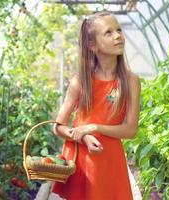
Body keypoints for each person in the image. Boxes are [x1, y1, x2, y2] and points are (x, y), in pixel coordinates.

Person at [51, 11, 141, 200]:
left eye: (119, 30)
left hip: (109, 160)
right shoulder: (81, 81)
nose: (118, 36)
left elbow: (131, 130)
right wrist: (82, 136)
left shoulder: (130, 81)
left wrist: (93, 127)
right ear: (92, 45)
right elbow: (58, 126)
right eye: (108, 33)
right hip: (81, 159)